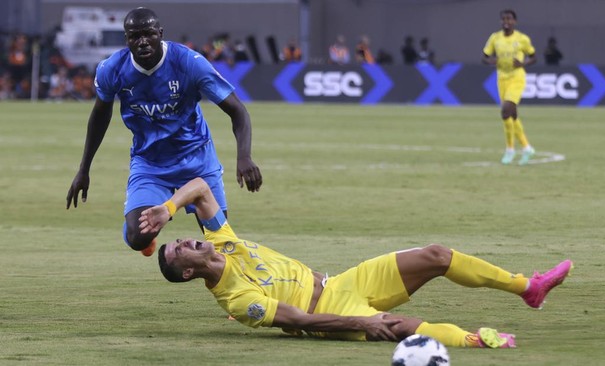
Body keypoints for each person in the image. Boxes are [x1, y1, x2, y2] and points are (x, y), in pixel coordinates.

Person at [142, 177, 573, 348]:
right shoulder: (238, 301)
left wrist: (165, 208)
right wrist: (360, 324)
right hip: (331, 311)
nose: (185, 239)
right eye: (180, 249)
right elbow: (300, 321)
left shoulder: (223, 241)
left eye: (180, 238)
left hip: (342, 282)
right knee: (400, 327)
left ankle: (527, 288)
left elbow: (199, 188)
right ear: (187, 272)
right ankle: (481, 342)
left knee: (436, 255)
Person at [66, 7, 262, 257]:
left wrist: (244, 156)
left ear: (160, 33)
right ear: (127, 39)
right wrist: (84, 169)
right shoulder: (112, 69)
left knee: (219, 247)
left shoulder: (189, 63)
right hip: (150, 164)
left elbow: (238, 111)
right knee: (138, 237)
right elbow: (100, 115)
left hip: (197, 161)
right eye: (134, 36)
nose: (142, 41)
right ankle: (150, 226)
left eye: (148, 34)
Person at [482, 9, 537, 166]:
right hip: (502, 78)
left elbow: (533, 56)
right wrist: (491, 61)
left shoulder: (522, 39)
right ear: (501, 21)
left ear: (515, 21)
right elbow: (484, 57)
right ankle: (527, 147)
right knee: (511, 114)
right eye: (504, 19)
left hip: (517, 77)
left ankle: (510, 149)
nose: (506, 21)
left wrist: (524, 63)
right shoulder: (495, 38)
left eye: (509, 18)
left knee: (506, 110)